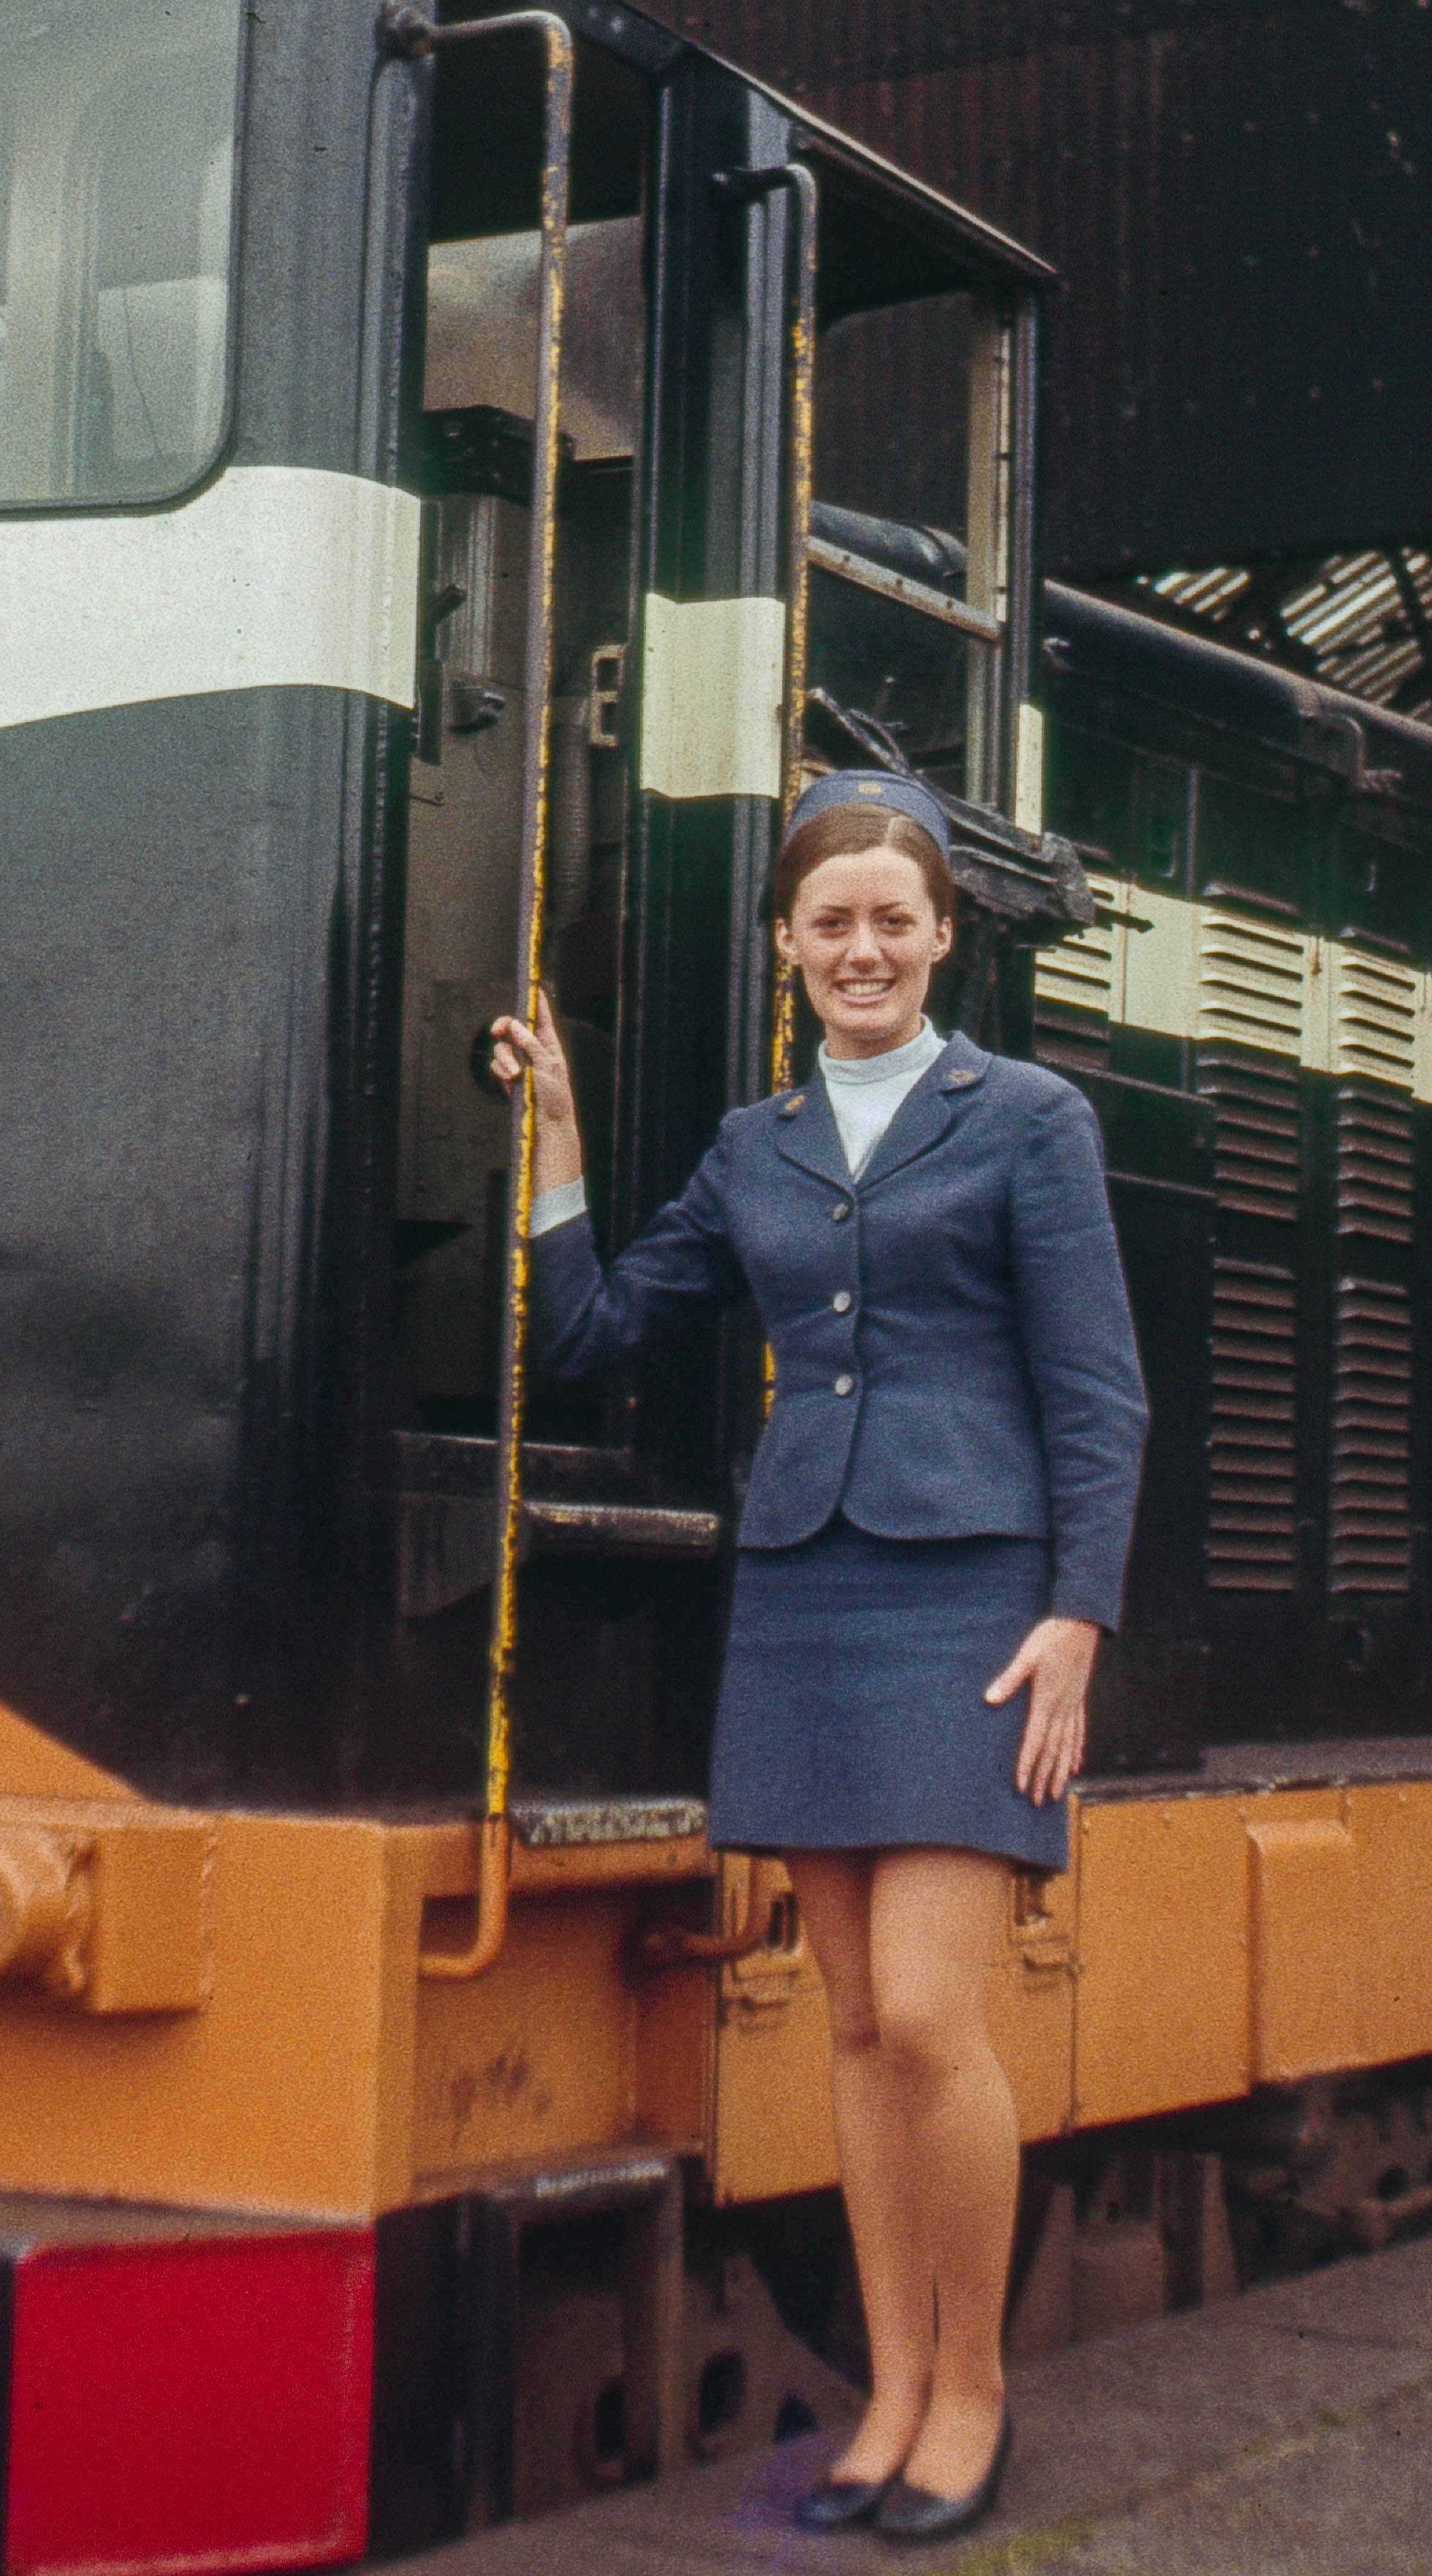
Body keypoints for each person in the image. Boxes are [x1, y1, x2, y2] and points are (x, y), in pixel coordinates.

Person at [490, 767, 1146, 2543]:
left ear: (943, 939)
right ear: (788, 946)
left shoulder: (1025, 1119)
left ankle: (975, 2391)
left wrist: (1077, 1614)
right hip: (805, 1593)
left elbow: (1098, 1390)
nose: (863, 946)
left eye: (893, 918)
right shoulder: (751, 1146)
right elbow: (600, 1328)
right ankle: (894, 2395)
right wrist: (554, 1139)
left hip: (973, 1603)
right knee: (852, 2028)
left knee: (934, 2011)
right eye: (830, 920)